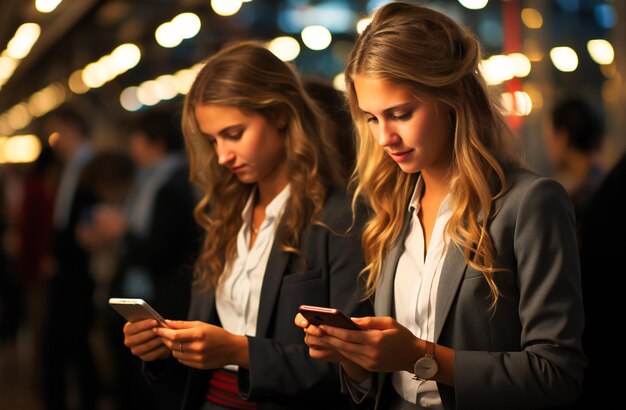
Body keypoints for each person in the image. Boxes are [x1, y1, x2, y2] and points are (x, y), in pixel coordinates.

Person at [296, 3, 586, 409]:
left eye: (399, 114)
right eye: (372, 119)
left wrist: (420, 356)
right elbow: (383, 385)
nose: (384, 138)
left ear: (453, 97)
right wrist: (355, 357)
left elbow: (556, 373)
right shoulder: (392, 209)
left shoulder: (530, 203)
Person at [121, 41, 372, 410]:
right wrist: (163, 349)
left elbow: (357, 367)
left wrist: (242, 350)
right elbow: (203, 355)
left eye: (234, 134)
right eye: (212, 140)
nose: (222, 156)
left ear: (281, 115)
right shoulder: (226, 218)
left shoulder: (340, 218)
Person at [41, 106, 99, 410]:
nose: (55, 141)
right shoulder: (71, 167)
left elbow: (88, 220)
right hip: (67, 267)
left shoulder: (90, 166)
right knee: (69, 344)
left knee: (71, 342)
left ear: (72, 128)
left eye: (57, 133)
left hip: (79, 270)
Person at [544, 95, 606, 246]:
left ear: (563, 137)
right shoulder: (604, 181)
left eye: (550, 137)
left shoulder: (577, 201)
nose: (548, 147)